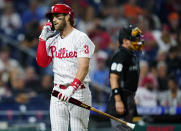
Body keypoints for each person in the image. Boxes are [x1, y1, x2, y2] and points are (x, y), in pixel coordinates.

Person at [36, 3, 95, 131]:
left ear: (68, 17)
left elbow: (84, 67)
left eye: (57, 16)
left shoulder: (81, 38)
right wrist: (42, 38)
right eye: (52, 17)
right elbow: (42, 62)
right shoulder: (52, 40)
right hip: (57, 91)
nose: (54, 20)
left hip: (79, 91)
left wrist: (72, 88)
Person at [106, 25, 144, 131]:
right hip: (120, 98)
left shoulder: (131, 55)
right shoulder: (120, 55)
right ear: (125, 40)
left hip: (128, 99)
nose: (138, 41)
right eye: (135, 39)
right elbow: (113, 78)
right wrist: (118, 100)